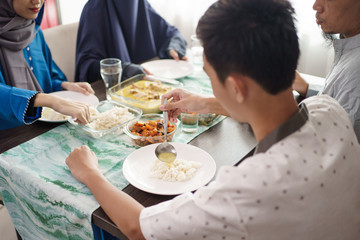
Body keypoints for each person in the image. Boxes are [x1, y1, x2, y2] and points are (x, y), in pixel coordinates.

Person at [66, 0, 360, 239]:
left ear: (235, 87)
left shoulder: (245, 190)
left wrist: (91, 173)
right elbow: (268, 107)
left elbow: (136, 227)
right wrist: (203, 102)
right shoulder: (328, 110)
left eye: (209, 76)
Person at [0, 0, 94, 130]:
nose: (37, 1)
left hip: (40, 130)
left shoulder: (33, 31)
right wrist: (53, 101)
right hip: (9, 138)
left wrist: (63, 86)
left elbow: (44, 82)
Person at [292, 0, 360, 142]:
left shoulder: (356, 70)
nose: (316, 6)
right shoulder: (350, 48)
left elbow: (328, 147)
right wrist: (307, 89)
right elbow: (338, 106)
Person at [75, 0, 188, 83]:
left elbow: (172, 33)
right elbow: (86, 66)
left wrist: (174, 47)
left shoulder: (140, 3)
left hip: (146, 86)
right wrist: (125, 69)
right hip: (110, 93)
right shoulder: (94, 9)